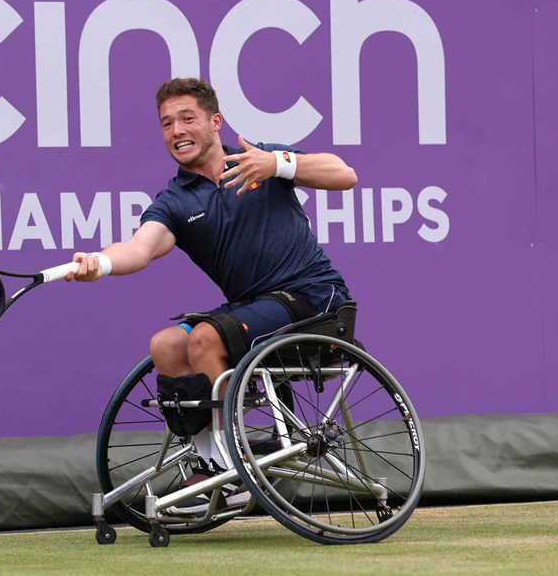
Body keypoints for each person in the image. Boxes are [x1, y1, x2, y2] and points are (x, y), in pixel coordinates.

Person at [67, 77, 357, 514]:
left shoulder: (258, 160)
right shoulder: (175, 200)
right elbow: (140, 247)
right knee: (166, 344)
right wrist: (100, 263)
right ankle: (211, 457)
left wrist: (279, 164)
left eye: (188, 118)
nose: (177, 131)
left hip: (314, 299)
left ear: (214, 122)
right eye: (167, 123)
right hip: (254, 310)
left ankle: (233, 469)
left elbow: (345, 175)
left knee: (205, 338)